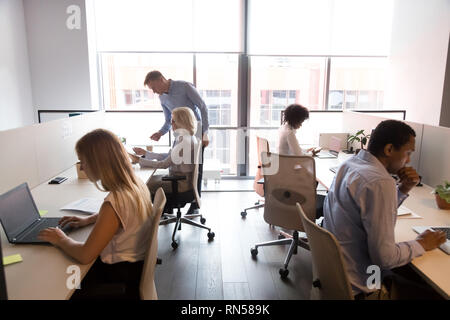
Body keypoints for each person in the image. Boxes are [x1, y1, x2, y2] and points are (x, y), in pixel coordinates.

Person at [322, 120, 446, 299]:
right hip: (363, 284)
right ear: (389, 150)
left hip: (338, 274)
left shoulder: (349, 164)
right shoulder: (380, 182)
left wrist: (403, 189)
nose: (409, 160)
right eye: (408, 153)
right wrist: (422, 244)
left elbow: (372, 210)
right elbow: (385, 258)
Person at [38, 129, 155, 299]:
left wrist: (60, 239)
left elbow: (85, 255)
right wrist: (89, 220)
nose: (82, 167)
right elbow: (123, 217)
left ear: (99, 162)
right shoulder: (135, 184)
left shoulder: (114, 201)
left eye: (84, 161)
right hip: (133, 268)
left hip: (117, 275)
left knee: (56, 280)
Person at [144, 70, 208, 215]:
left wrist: (205, 132)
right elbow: (168, 120)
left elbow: (203, 107)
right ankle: (170, 203)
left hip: (196, 130)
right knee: (178, 161)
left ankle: (194, 202)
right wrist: (160, 133)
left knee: (195, 169)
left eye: (153, 87)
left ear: (161, 79)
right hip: (180, 130)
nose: (154, 92)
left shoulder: (184, 87)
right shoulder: (162, 98)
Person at [129, 107, 198, 205]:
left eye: (173, 121)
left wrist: (138, 160)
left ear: (181, 122)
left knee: (140, 185)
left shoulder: (185, 141)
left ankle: (148, 217)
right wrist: (146, 153)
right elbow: (169, 156)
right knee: (142, 182)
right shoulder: (185, 137)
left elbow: (164, 164)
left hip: (179, 183)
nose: (171, 124)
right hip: (179, 179)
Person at [278, 104, 323, 218]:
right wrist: (311, 154)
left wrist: (305, 150)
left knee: (312, 176)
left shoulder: (284, 128)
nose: (301, 124)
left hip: (282, 169)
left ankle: (296, 206)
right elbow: (298, 156)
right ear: (296, 120)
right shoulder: (290, 133)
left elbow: (293, 150)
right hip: (288, 172)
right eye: (301, 121)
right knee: (315, 180)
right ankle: (304, 209)